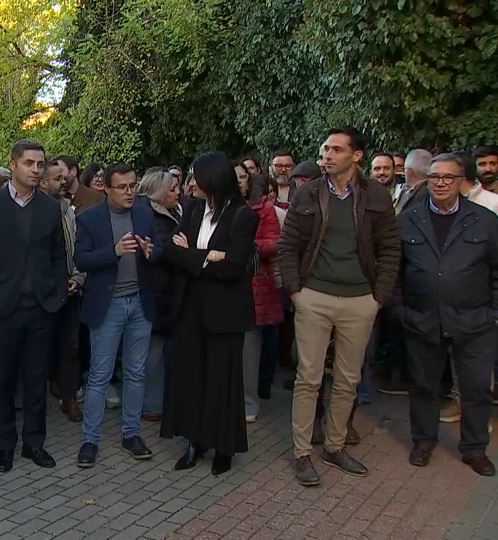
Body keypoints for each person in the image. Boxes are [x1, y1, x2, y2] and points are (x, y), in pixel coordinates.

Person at [280, 127, 400, 487]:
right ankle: (302, 453)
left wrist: (378, 297)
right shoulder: (309, 192)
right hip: (314, 297)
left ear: (356, 155)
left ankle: (334, 445)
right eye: (324, 149)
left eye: (335, 149)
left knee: (348, 379)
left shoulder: (376, 194)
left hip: (360, 300)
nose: (327, 155)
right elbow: (288, 247)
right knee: (308, 378)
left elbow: (390, 249)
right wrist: (297, 294)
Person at [0, 139, 67, 473]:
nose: (36, 170)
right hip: (1, 308)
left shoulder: (50, 208)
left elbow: (57, 256)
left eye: (40, 164)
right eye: (29, 163)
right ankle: (5, 444)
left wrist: (56, 296)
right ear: (13, 164)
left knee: (36, 379)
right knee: (3, 380)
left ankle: (33, 443)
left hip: (40, 307)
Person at [395, 153, 497, 476]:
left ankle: (474, 448)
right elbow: (393, 273)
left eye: (448, 177)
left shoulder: (484, 220)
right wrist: (401, 312)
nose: (440, 183)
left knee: (477, 388)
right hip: (423, 319)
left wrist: (494, 313)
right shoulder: (408, 219)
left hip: (475, 322)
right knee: (424, 386)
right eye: (434, 177)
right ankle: (423, 441)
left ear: (461, 182)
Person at [160, 151, 258, 476]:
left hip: (225, 312)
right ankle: (195, 441)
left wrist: (193, 256)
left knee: (223, 381)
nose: (189, 184)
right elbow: (171, 252)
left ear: (211, 179)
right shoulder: (192, 209)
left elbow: (233, 267)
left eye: (194, 177)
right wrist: (206, 257)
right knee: (193, 377)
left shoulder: (242, 216)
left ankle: (224, 447)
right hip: (191, 307)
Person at [74, 162, 158, 467]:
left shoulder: (144, 214)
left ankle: (131, 434)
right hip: (108, 305)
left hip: (140, 303)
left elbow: (158, 249)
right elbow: (81, 259)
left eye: (133, 185)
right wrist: (113, 252)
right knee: (100, 375)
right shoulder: (89, 218)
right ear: (106, 188)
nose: (129, 192)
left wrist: (152, 251)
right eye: (122, 187)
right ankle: (90, 440)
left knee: (136, 373)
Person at [39, 160, 86, 422]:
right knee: (42, 347)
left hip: (69, 288)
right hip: (43, 291)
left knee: (71, 346)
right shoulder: (33, 211)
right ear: (44, 182)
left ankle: (69, 398)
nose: (64, 181)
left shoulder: (68, 209)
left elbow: (76, 247)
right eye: (57, 178)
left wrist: (77, 278)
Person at [136, 168, 181, 422]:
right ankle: (150, 404)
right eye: (172, 189)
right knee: (152, 351)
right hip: (156, 289)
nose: (178, 192)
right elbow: (157, 252)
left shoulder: (173, 212)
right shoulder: (148, 216)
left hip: (168, 289)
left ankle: (160, 401)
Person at [238, 172, 282, 420]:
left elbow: (274, 243)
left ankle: (248, 404)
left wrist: (244, 247)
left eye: (244, 176)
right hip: (222, 282)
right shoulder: (219, 205)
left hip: (254, 284)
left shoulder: (265, 209)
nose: (239, 180)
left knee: (248, 350)